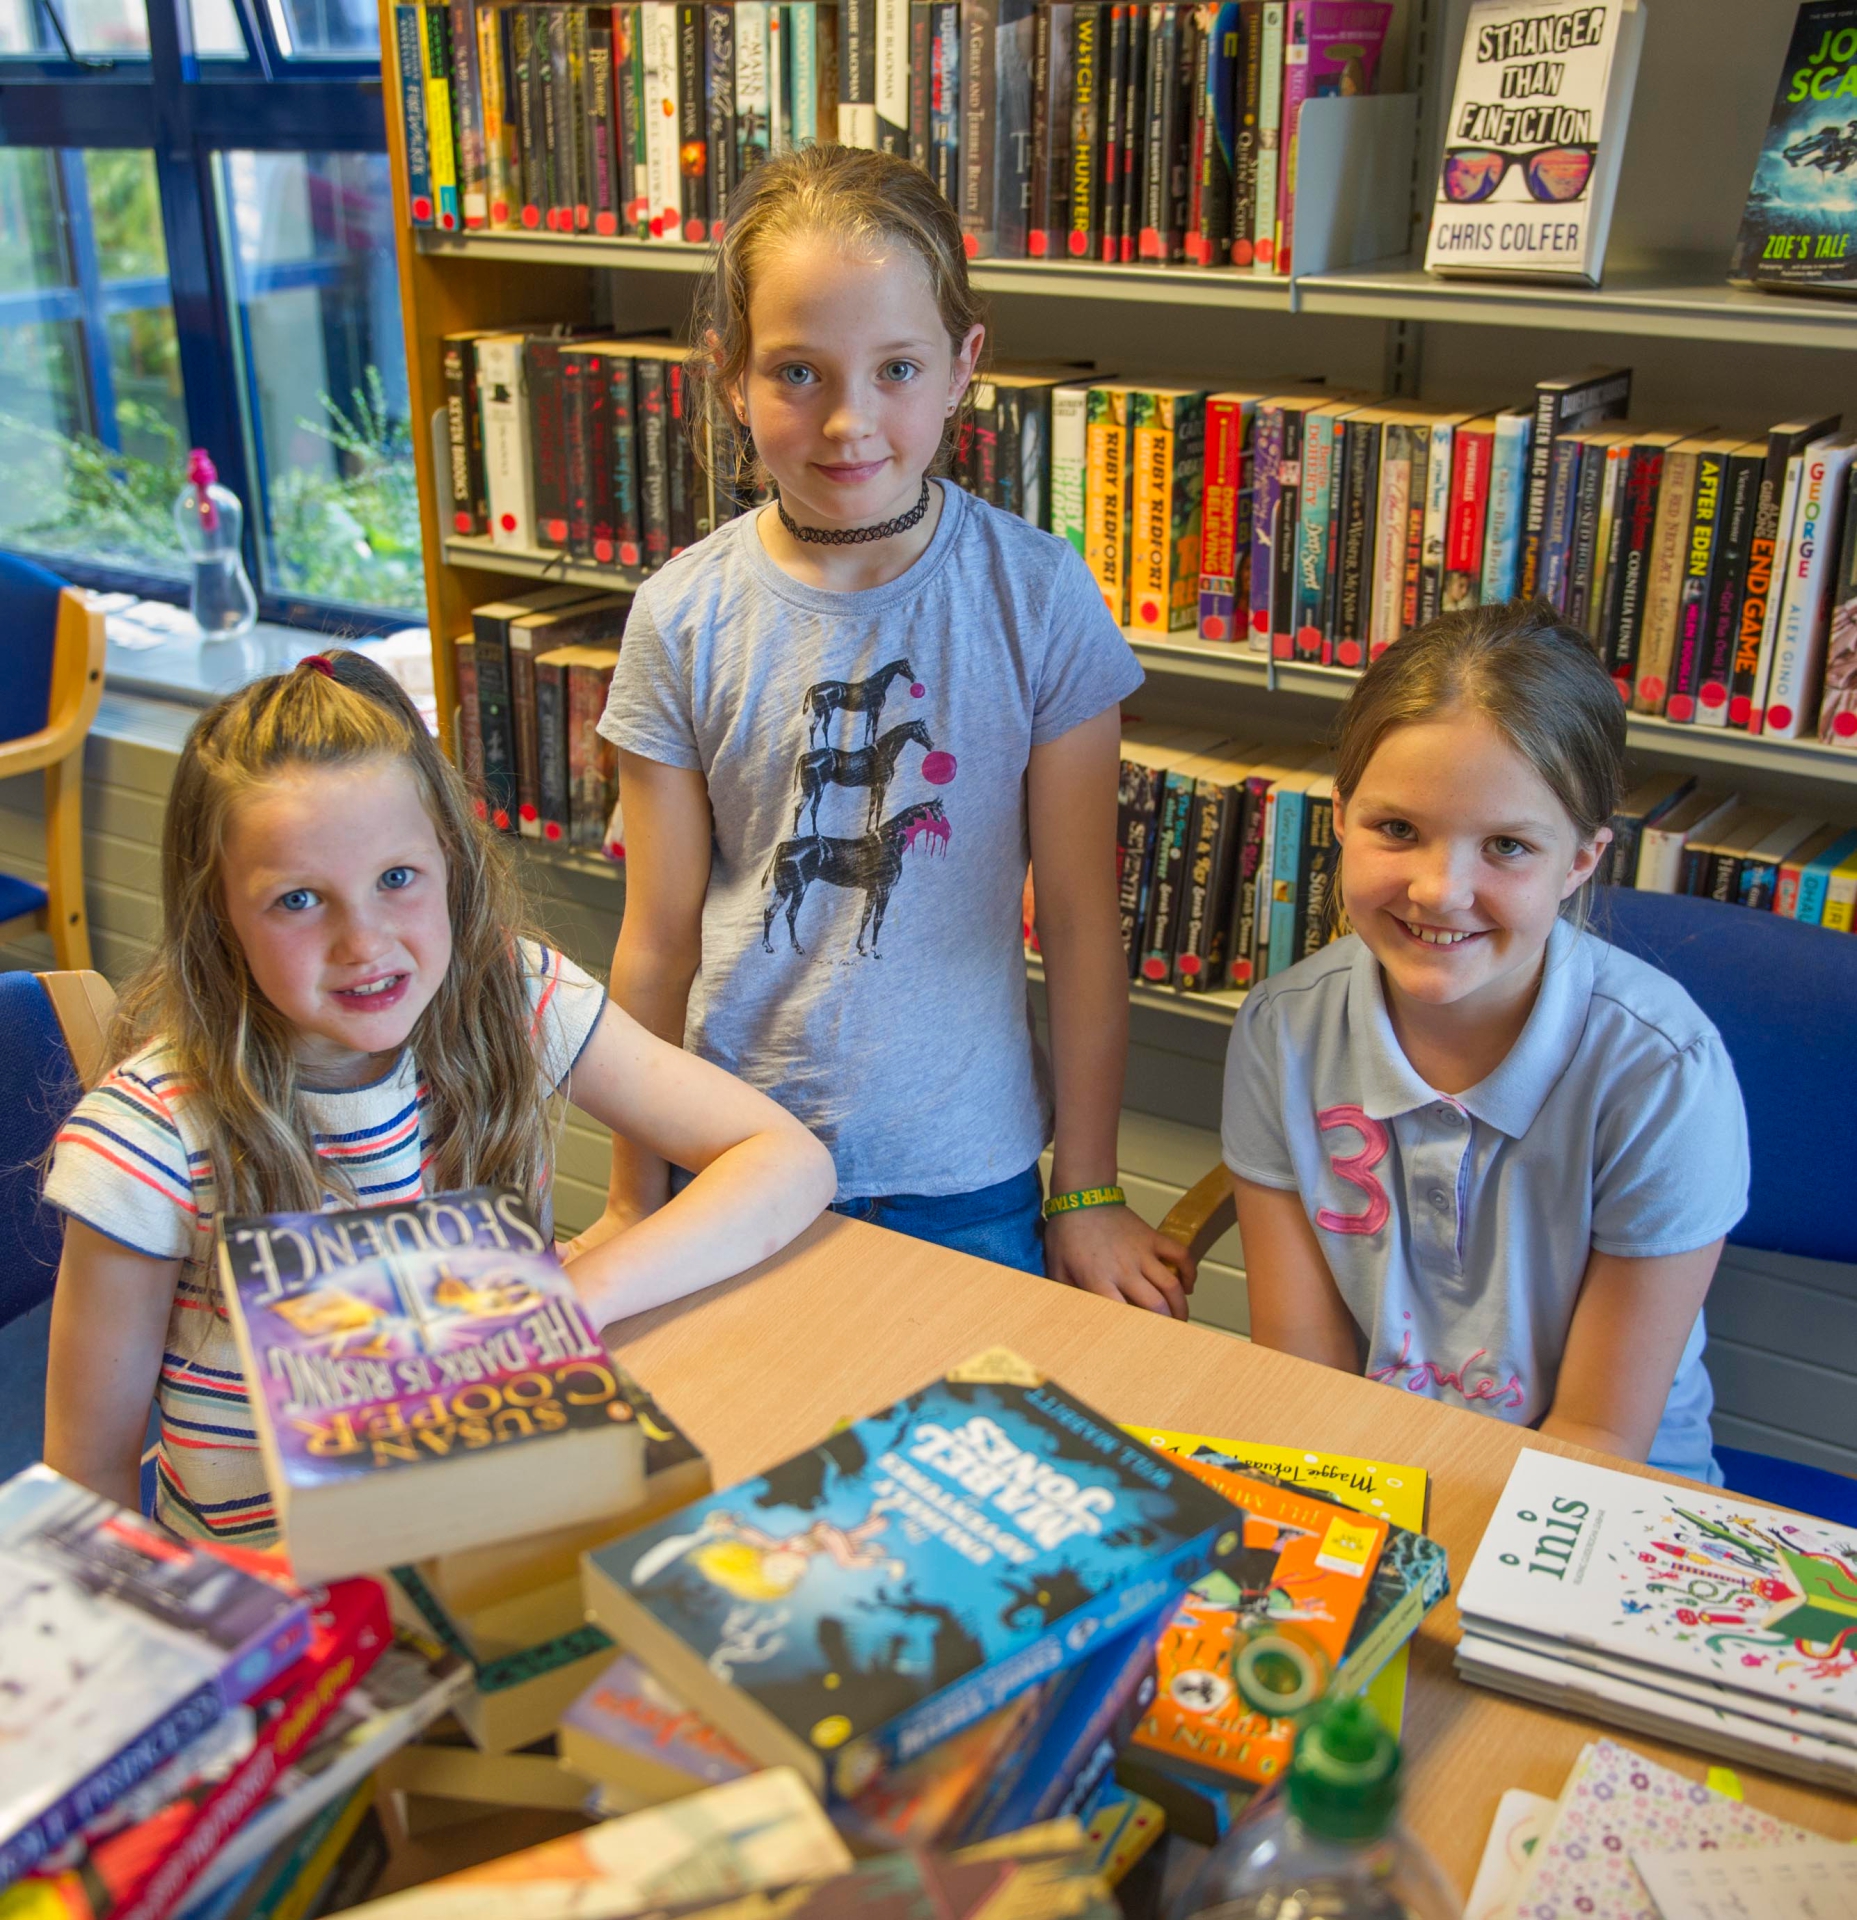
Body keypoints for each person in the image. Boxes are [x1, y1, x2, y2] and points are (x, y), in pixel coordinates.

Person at [586, 144, 1192, 1313]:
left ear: (965, 365)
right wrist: (631, 1197)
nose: (850, 422)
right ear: (728, 376)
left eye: (897, 368)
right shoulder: (681, 617)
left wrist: (1091, 1191)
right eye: (798, 373)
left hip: (966, 1175)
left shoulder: (1038, 598)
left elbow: (1077, 920)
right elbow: (654, 944)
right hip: (733, 1157)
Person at [41, 651, 835, 1541]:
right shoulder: (147, 1142)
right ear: (216, 912)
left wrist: (569, 1302)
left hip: (499, 1523)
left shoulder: (512, 993)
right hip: (280, 1594)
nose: (363, 942)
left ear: (449, 862)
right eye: (299, 900)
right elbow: (89, 1478)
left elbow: (788, 1160)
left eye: (396, 879)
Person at [1221, 602, 1747, 1483]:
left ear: (1579, 861)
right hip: (1369, 1468)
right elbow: (1298, 1370)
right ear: (1341, 817)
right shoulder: (1282, 1029)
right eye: (1397, 829)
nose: (1439, 891)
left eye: (1505, 845)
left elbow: (1598, 1437)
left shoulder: (1663, 1074)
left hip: (1596, 1493)